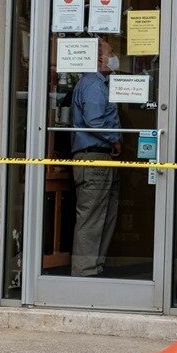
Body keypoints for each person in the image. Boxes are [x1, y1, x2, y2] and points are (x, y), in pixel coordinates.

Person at [70, 35, 123, 277]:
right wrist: (114, 139)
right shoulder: (93, 84)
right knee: (92, 215)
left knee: (104, 213)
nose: (114, 57)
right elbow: (94, 120)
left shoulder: (97, 83)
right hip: (94, 157)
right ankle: (85, 272)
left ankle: (94, 268)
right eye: (111, 52)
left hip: (99, 156)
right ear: (99, 58)